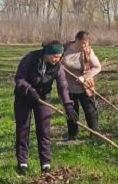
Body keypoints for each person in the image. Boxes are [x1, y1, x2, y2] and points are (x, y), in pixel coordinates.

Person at [13, 41, 77, 175]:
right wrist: (29, 90)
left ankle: (46, 164)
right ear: (47, 54)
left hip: (43, 99)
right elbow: (19, 78)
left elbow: (63, 87)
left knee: (44, 132)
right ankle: (22, 164)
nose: (57, 59)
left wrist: (68, 106)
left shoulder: (58, 67)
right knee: (23, 130)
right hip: (24, 97)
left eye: (60, 56)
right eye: (55, 56)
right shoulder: (30, 59)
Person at [60, 30, 101, 140]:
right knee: (71, 112)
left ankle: (95, 134)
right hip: (68, 87)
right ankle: (72, 135)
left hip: (85, 87)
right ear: (77, 40)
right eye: (83, 43)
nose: (85, 45)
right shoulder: (65, 49)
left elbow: (97, 67)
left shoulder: (87, 51)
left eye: (87, 43)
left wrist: (84, 77)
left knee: (90, 111)